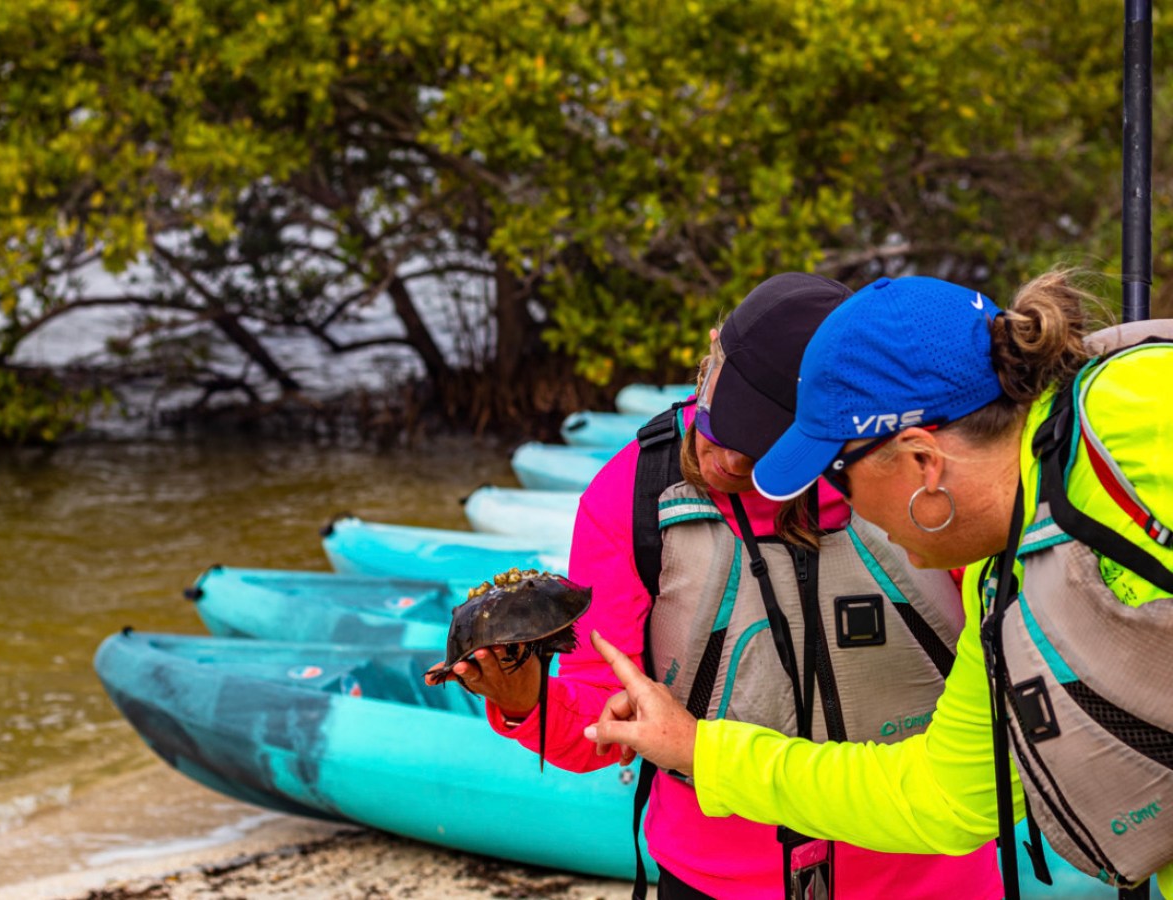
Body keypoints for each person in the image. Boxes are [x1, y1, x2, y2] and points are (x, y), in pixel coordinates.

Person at [583, 270, 1173, 896]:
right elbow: (946, 795)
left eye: (838, 474)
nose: (834, 502)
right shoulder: (1000, 578)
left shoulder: (1143, 422)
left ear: (923, 462)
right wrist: (702, 749)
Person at [428, 273, 1002, 899]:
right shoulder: (632, 497)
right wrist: (525, 700)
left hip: (928, 873)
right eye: (722, 421)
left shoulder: (920, 495)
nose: (727, 459)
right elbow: (605, 717)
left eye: (764, 445)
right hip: (715, 879)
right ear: (711, 358)